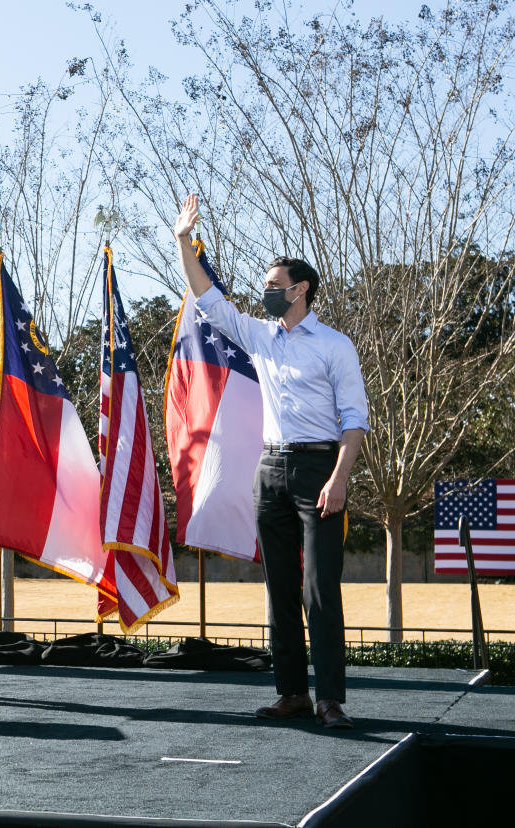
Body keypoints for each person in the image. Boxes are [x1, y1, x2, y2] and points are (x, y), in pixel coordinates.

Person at [173, 195, 369, 728]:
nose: (266, 293)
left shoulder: (335, 346)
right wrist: (183, 242)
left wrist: (339, 480)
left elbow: (355, 421)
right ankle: (293, 694)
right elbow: (210, 301)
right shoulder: (261, 337)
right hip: (271, 471)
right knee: (280, 587)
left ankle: (330, 698)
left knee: (319, 589)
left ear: (300, 290)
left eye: (274, 285)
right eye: (265, 286)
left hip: (319, 471)